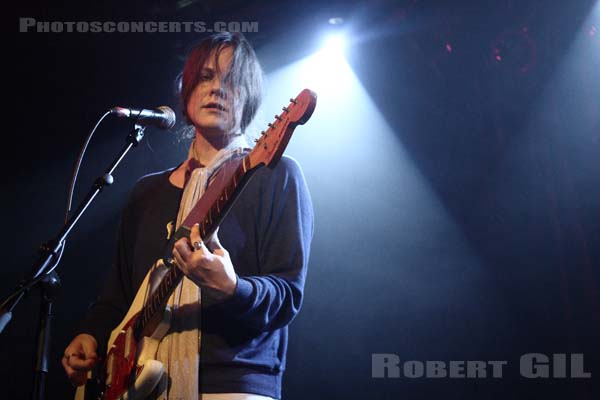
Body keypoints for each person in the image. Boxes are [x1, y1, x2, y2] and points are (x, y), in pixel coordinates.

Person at [61, 32, 314, 400]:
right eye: (207, 76)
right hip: (138, 386)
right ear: (187, 89)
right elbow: (117, 299)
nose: (217, 89)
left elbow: (287, 294)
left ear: (251, 98)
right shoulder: (146, 192)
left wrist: (233, 289)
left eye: (232, 80)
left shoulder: (276, 175)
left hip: (230, 384)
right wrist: (91, 335)